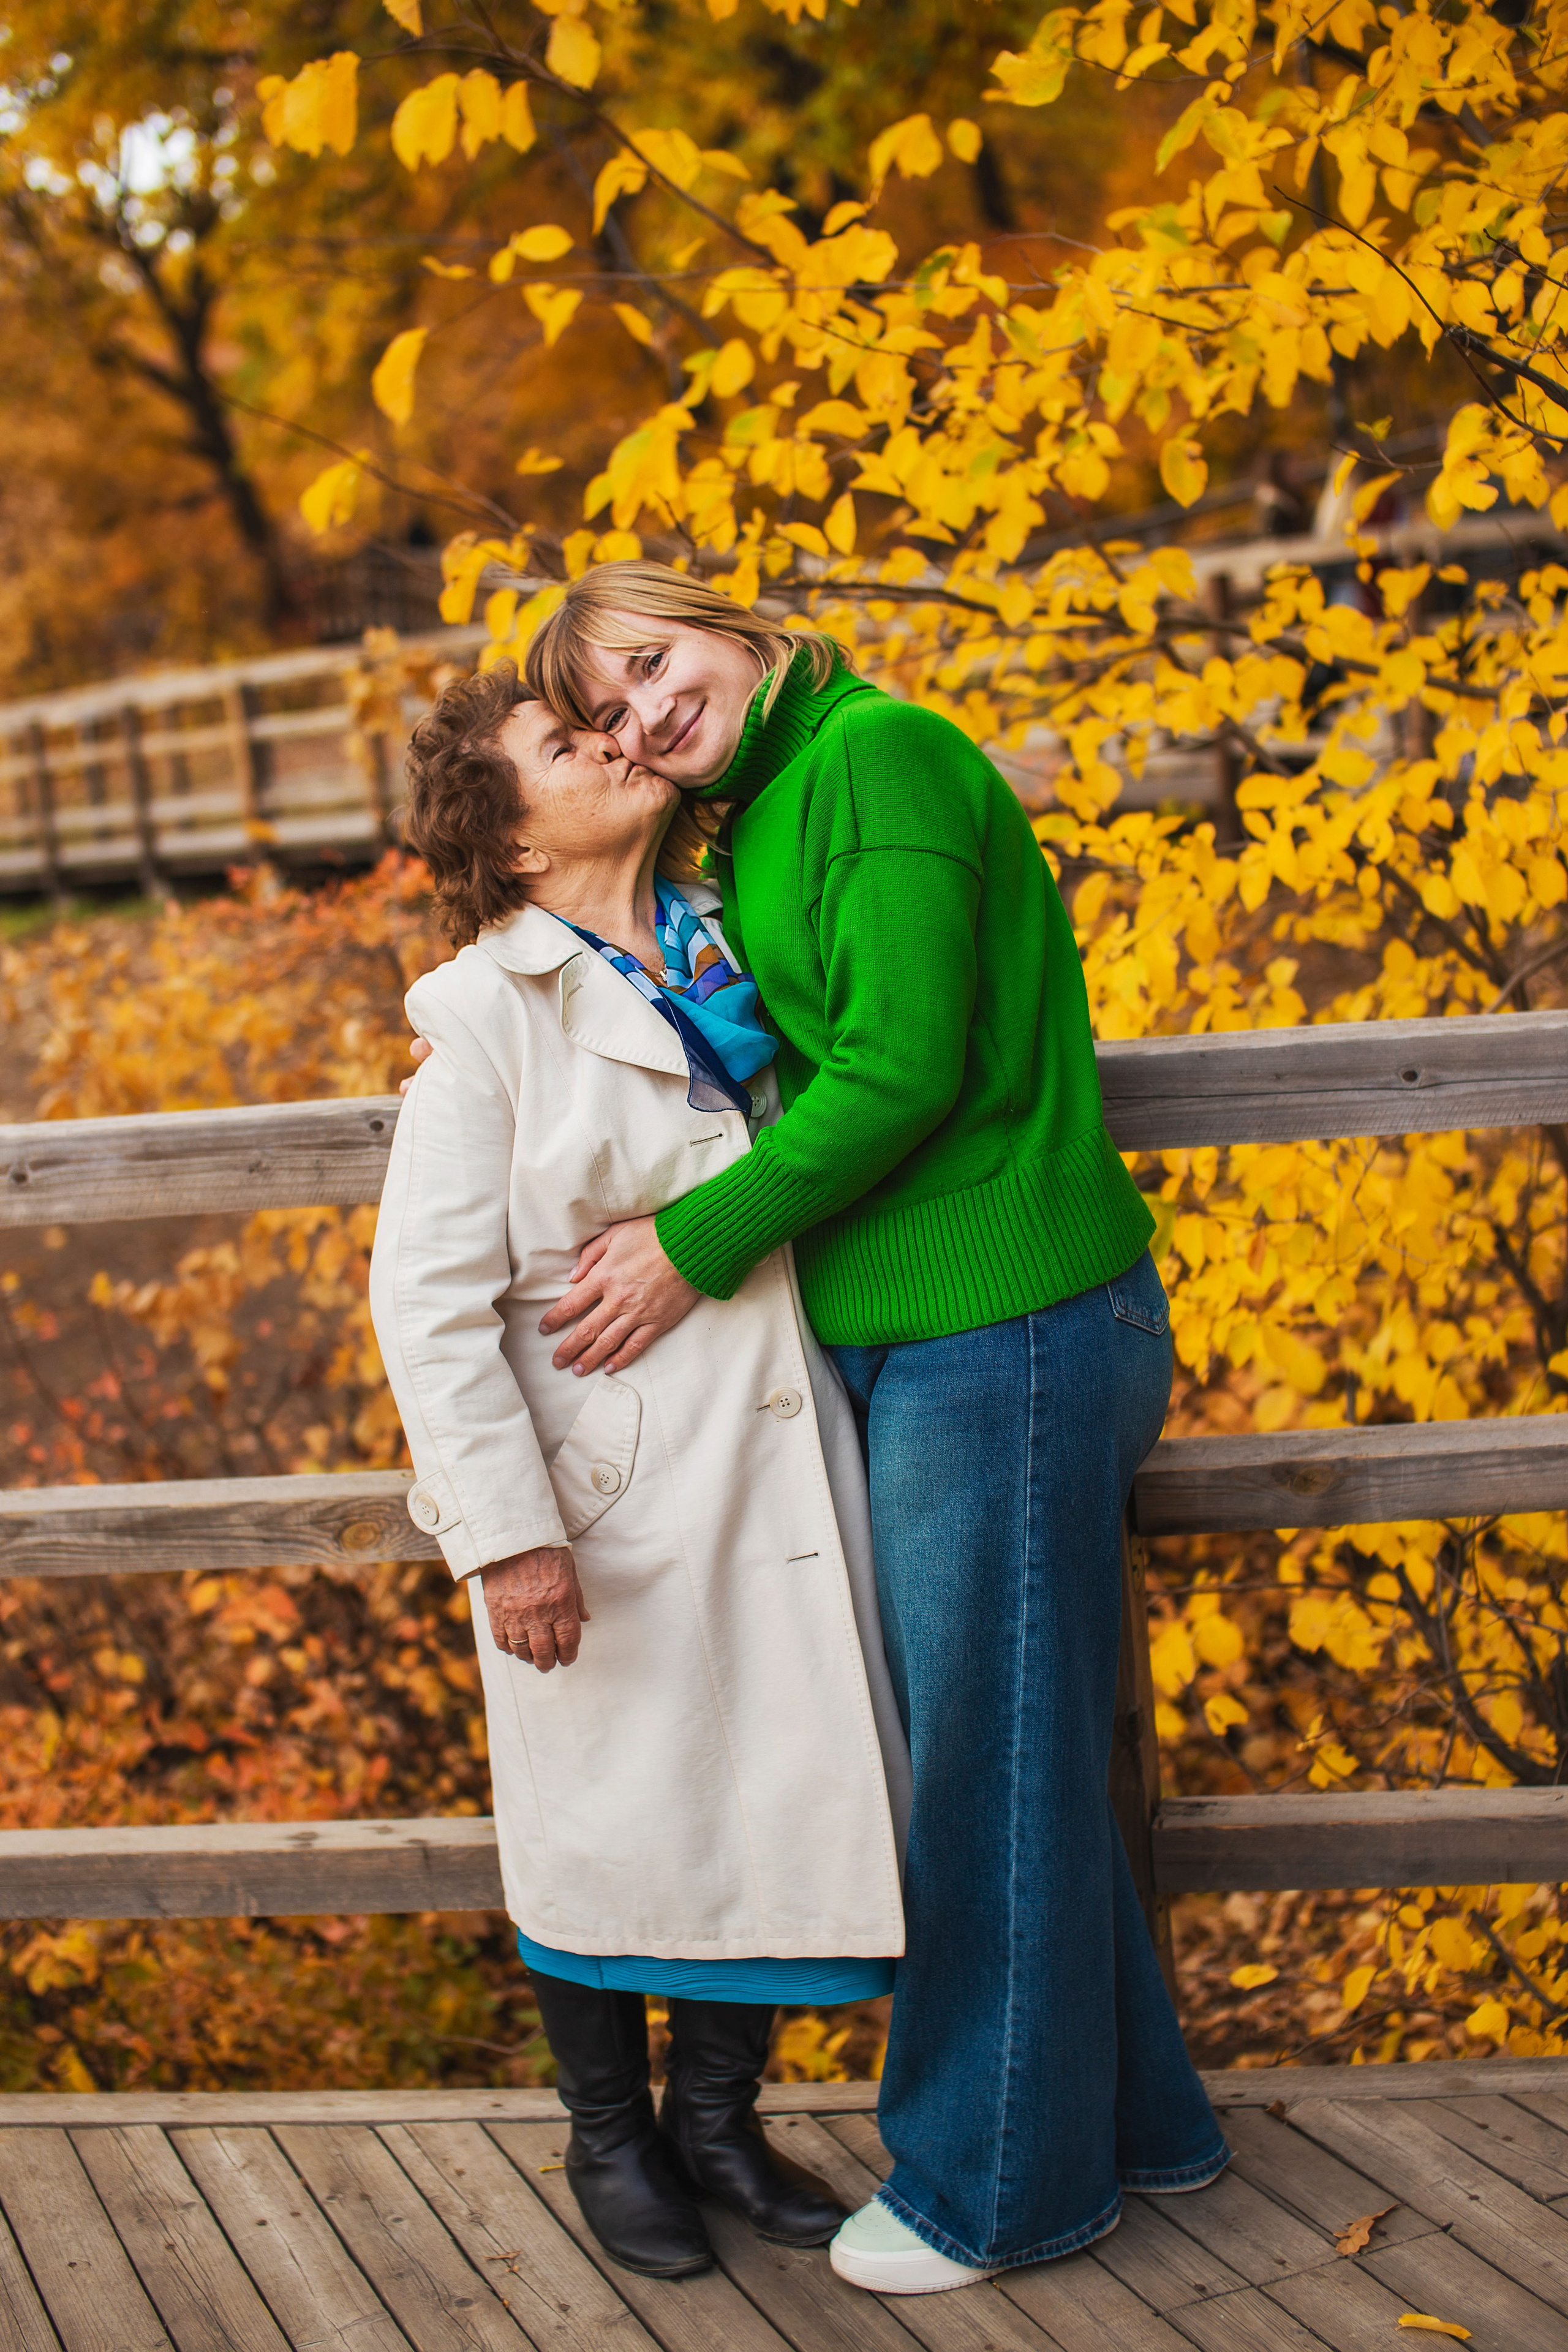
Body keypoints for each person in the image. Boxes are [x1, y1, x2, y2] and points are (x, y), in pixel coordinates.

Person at [511, 560, 1232, 2295]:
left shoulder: (880, 756)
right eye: (608, 714)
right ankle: (1143, 2127)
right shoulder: (757, 816)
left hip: (1012, 1321)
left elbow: (902, 1067)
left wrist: (693, 1244)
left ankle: (997, 2187)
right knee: (1013, 1744)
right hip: (926, 1335)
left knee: (979, 1765)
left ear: (728, 625)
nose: (647, 717)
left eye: (655, 665)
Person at [368, 663, 910, 2283]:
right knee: (608, 1813)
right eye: (562, 742)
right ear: (517, 843)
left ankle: (724, 2126)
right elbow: (428, 1305)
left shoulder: (738, 942)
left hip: (784, 1459)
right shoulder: (488, 1016)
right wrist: (510, 1540)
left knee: (778, 1801)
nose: (611, 740)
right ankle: (613, 2139)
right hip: (600, 1500)